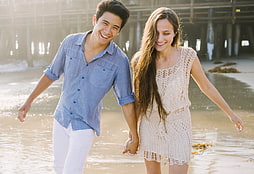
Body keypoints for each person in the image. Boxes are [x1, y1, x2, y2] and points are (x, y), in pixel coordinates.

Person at [17, 0, 138, 173]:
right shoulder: (70, 43)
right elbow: (52, 73)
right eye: (104, 23)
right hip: (61, 117)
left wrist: (134, 136)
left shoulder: (119, 61)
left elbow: (125, 100)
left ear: (119, 31)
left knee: (72, 170)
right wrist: (29, 101)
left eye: (115, 27)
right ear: (94, 20)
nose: (108, 31)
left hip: (85, 123)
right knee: (59, 168)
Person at [131, 7, 244, 174]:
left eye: (166, 33)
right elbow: (138, 101)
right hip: (150, 126)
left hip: (179, 125)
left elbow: (206, 86)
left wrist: (231, 114)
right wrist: (132, 136)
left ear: (175, 33)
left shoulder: (187, 56)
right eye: (155, 33)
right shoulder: (140, 60)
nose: (159, 39)